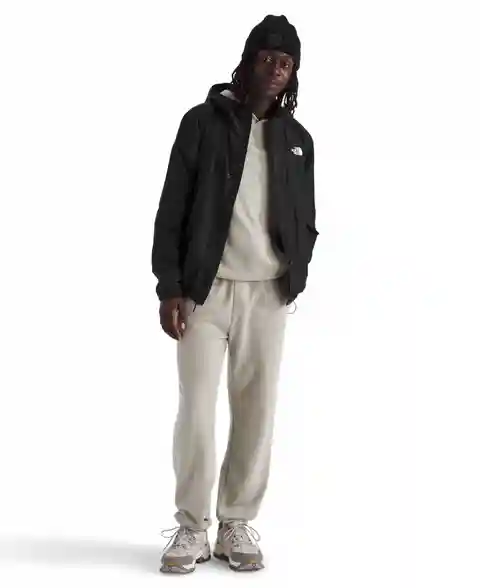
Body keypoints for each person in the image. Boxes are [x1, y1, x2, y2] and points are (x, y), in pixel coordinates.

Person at [151, 14, 318, 573]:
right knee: (196, 412)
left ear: (294, 73)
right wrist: (170, 286)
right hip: (204, 293)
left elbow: (304, 212)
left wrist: (297, 268)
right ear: (247, 62)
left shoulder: (297, 141)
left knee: (257, 410)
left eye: (286, 62)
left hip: (267, 294)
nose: (276, 69)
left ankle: (236, 523)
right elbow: (173, 206)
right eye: (267, 58)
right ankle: (190, 527)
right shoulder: (202, 123)